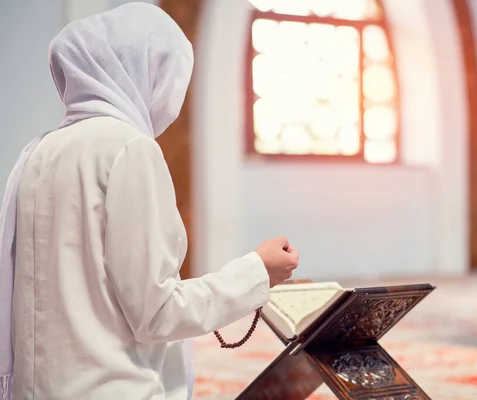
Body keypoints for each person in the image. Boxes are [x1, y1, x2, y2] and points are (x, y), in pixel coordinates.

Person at [0, 3, 299, 399]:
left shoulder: (36, 152)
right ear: (149, 72)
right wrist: (258, 270)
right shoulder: (128, 149)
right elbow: (157, 314)